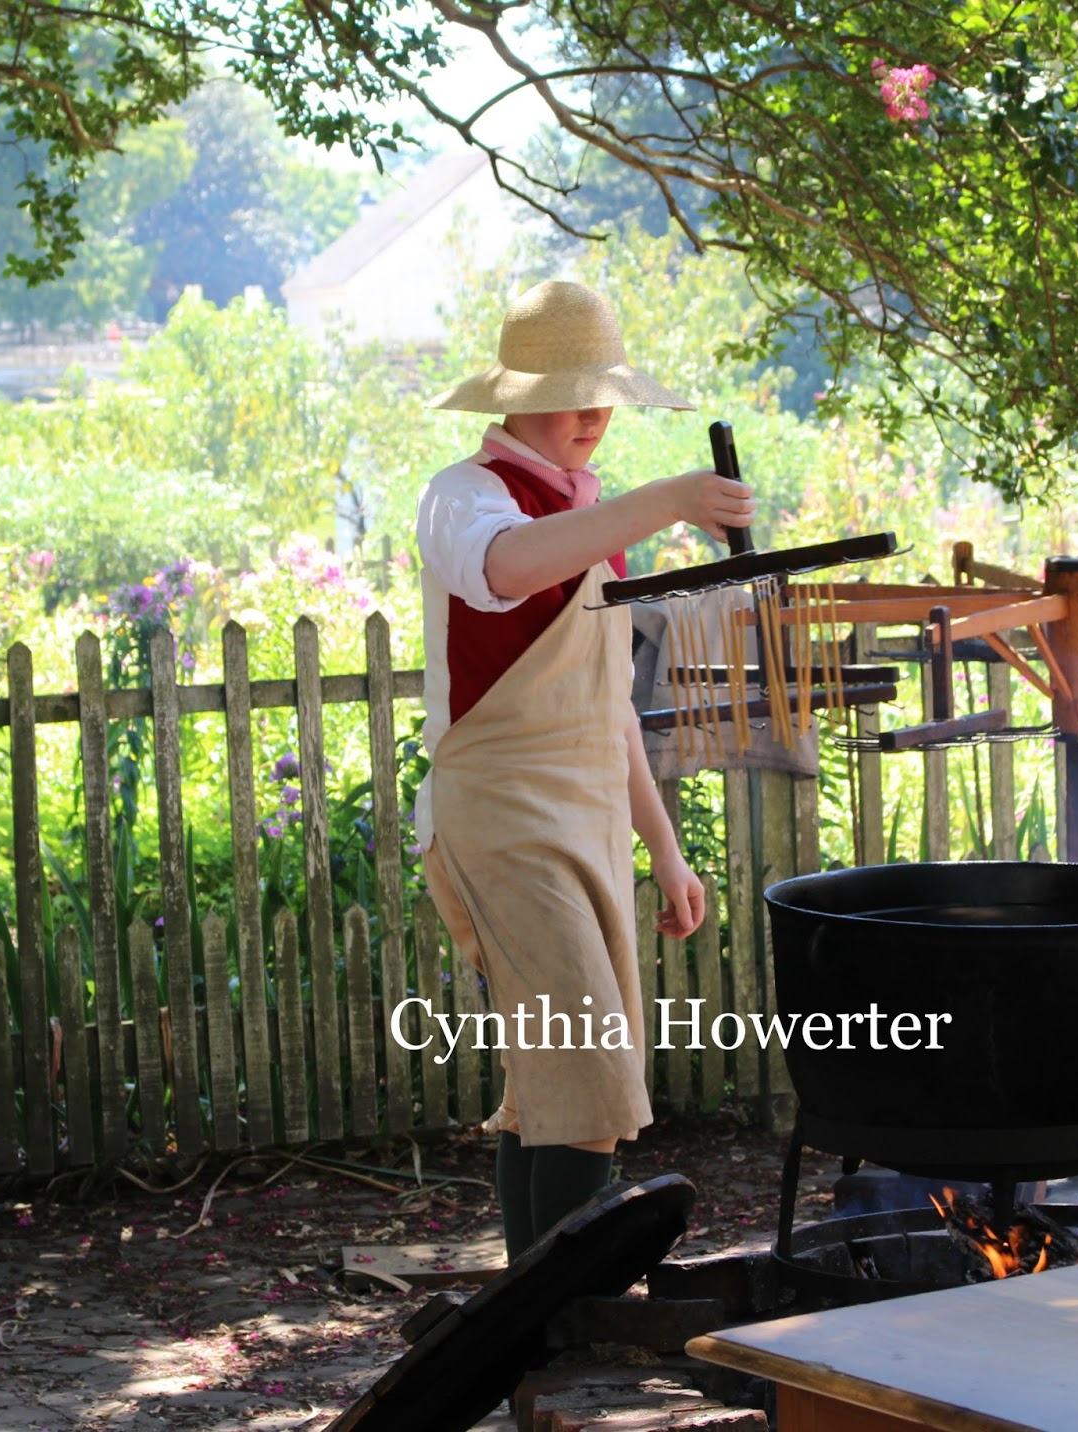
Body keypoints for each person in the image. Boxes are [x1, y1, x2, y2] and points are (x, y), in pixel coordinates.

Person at [414, 279, 755, 1260]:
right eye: (572, 393)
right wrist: (672, 501)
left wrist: (667, 851)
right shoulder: (465, 495)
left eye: (603, 393)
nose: (594, 415)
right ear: (512, 397)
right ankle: (567, 1305)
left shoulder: (589, 513)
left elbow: (605, 713)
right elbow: (509, 569)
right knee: (590, 1079)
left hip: (590, 815)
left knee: (554, 1090)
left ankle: (537, 1317)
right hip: (501, 816)